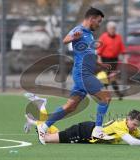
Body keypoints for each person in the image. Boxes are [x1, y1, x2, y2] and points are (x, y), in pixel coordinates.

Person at [34, 7, 114, 145]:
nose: (99, 24)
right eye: (99, 21)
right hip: (83, 74)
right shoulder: (80, 30)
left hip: (84, 74)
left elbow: (88, 56)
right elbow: (65, 39)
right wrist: (72, 37)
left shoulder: (89, 34)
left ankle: (44, 126)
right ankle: (98, 130)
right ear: (92, 19)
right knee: (106, 97)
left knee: (70, 106)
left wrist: (100, 66)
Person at [24, 98, 140, 147]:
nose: (136, 128)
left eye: (138, 126)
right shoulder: (121, 126)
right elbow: (132, 142)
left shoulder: (132, 129)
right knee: (48, 139)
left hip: (89, 132)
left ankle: (35, 121)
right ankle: (38, 117)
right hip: (84, 132)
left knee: (55, 134)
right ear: (127, 119)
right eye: (134, 124)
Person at [97, 21, 126, 100]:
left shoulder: (118, 37)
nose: (113, 30)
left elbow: (122, 49)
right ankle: (104, 94)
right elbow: (99, 51)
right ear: (108, 29)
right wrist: (99, 60)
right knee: (105, 77)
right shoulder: (103, 37)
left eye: (114, 28)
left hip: (114, 60)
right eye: (111, 28)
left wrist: (124, 58)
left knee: (113, 77)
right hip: (105, 60)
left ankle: (118, 94)